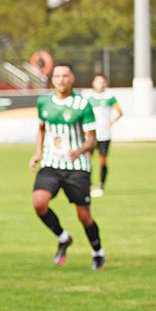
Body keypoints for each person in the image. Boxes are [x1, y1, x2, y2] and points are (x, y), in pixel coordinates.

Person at [28, 63, 106, 270]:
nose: (61, 80)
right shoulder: (43, 102)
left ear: (72, 79)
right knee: (39, 203)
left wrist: (78, 151)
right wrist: (38, 153)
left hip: (77, 167)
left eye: (65, 76)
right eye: (57, 76)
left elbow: (92, 140)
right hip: (51, 164)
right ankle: (63, 238)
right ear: (52, 79)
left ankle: (98, 252)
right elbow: (42, 129)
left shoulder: (82, 105)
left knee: (84, 216)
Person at [86, 73, 123, 197]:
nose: (100, 84)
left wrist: (111, 122)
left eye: (102, 82)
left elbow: (119, 112)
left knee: (102, 161)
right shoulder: (89, 98)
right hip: (91, 134)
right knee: (87, 161)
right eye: (97, 81)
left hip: (104, 134)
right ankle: (89, 185)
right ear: (93, 83)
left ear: (105, 83)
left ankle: (101, 186)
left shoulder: (109, 97)